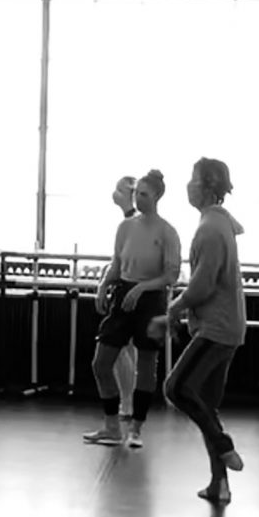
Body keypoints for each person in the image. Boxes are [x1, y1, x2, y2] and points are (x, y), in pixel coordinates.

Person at [165, 157, 248, 507]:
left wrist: (174, 308)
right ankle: (220, 484)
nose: (189, 185)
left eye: (194, 179)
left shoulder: (210, 229)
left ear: (209, 187)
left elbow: (202, 286)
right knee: (207, 406)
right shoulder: (218, 222)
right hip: (227, 326)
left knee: (176, 388)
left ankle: (223, 446)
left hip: (217, 328)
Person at [87, 169, 181, 450]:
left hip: (151, 299)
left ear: (157, 197)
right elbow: (117, 263)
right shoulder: (125, 227)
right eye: (136, 193)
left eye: (144, 194)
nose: (138, 199)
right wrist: (103, 285)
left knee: (146, 365)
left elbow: (171, 275)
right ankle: (111, 427)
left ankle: (136, 428)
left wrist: (142, 288)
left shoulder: (167, 231)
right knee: (101, 363)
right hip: (124, 294)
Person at [106, 174, 140, 424]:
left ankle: (127, 402)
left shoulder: (133, 222)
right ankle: (128, 401)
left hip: (132, 288)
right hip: (131, 287)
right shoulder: (130, 222)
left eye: (119, 190)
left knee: (119, 348)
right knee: (127, 348)